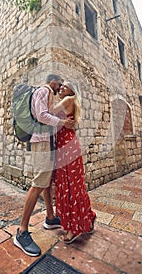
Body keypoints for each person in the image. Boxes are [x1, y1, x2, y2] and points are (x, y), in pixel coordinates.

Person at [14, 74, 75, 256]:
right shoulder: (43, 90)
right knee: (39, 183)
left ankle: (50, 217)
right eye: (60, 84)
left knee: (46, 182)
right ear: (53, 82)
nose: (60, 88)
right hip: (41, 142)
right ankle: (22, 232)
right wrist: (64, 122)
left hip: (45, 142)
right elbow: (41, 116)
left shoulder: (45, 93)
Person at [51, 81, 96, 244]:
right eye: (61, 86)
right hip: (67, 144)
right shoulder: (71, 102)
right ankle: (88, 218)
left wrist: (47, 92)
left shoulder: (68, 100)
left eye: (66, 86)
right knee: (74, 185)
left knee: (69, 185)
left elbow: (49, 112)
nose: (62, 88)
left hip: (66, 147)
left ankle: (73, 228)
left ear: (72, 91)